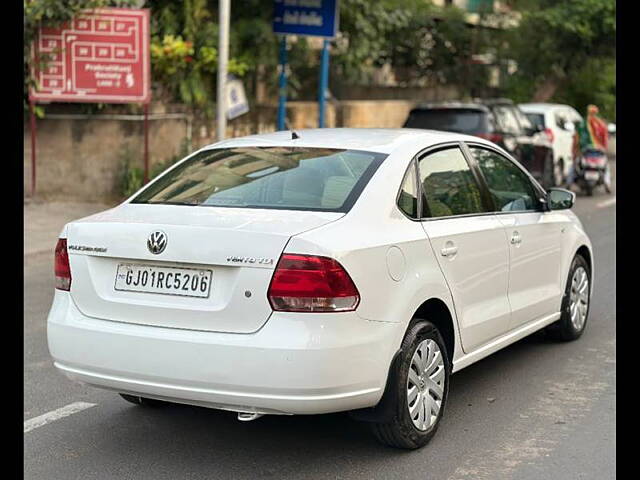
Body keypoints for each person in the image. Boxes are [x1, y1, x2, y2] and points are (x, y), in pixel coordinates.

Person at [568, 105, 609, 186]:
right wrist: (604, 149)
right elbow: (605, 139)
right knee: (606, 166)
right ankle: (607, 183)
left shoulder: (582, 124)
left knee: (573, 166)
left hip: (585, 151)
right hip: (598, 151)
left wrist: (574, 151)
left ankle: (569, 183)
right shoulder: (601, 124)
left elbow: (576, 139)